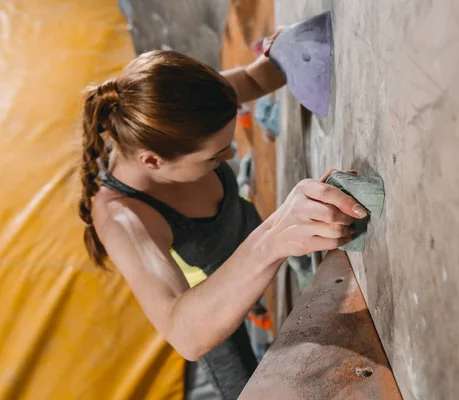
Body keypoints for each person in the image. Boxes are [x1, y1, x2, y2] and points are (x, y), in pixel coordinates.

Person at [78, 41, 366, 399]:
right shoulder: (120, 215)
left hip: (244, 225)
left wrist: (292, 45)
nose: (230, 154)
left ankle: (264, 301)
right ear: (152, 162)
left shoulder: (184, 110)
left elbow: (253, 78)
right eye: (216, 157)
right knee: (244, 385)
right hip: (209, 297)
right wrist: (272, 241)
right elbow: (185, 333)